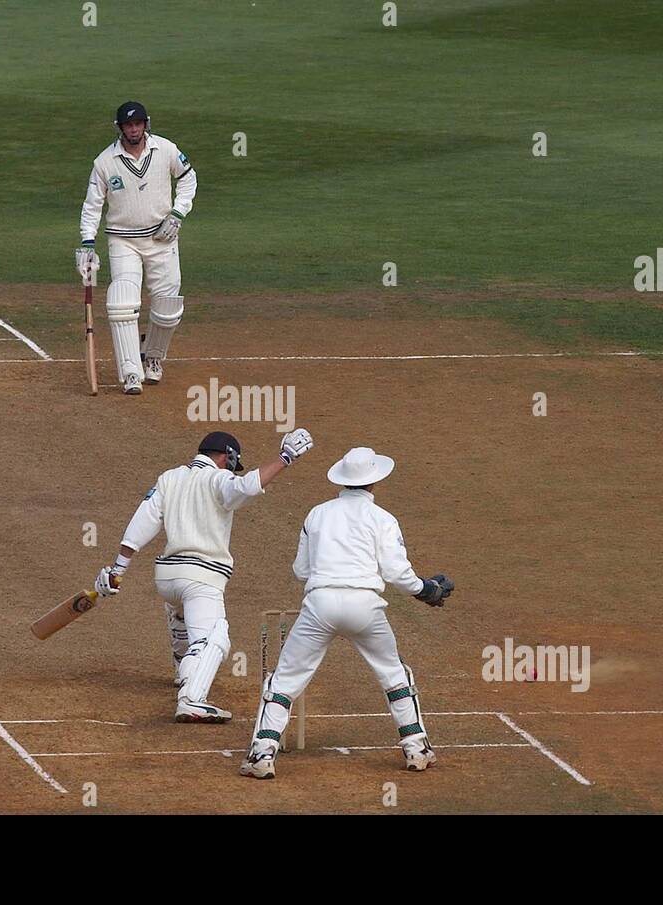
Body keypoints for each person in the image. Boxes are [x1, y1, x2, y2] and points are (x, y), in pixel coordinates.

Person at [240, 447, 453, 779]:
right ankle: (416, 748)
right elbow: (397, 573)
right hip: (365, 607)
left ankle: (262, 754)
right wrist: (426, 591)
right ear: (374, 481)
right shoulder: (383, 519)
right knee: (394, 674)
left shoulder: (317, 514)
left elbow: (301, 570)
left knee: (285, 679)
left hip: (320, 604)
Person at [94, 429, 314, 722]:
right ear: (226, 457)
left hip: (167, 577)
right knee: (215, 638)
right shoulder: (219, 479)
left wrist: (118, 569)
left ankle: (183, 671)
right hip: (202, 577)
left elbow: (142, 522)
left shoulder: (169, 478)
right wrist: (285, 458)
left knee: (182, 615)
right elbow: (247, 487)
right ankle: (192, 698)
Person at [76, 101, 197, 395]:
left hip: (162, 238)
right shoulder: (104, 162)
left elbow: (188, 178)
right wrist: (87, 244)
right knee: (121, 302)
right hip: (123, 240)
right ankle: (130, 372)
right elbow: (92, 206)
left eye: (138, 124)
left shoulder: (166, 149)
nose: (134, 129)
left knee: (168, 306)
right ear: (120, 128)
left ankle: (153, 357)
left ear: (146, 124)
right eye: (128, 125)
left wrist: (178, 213)